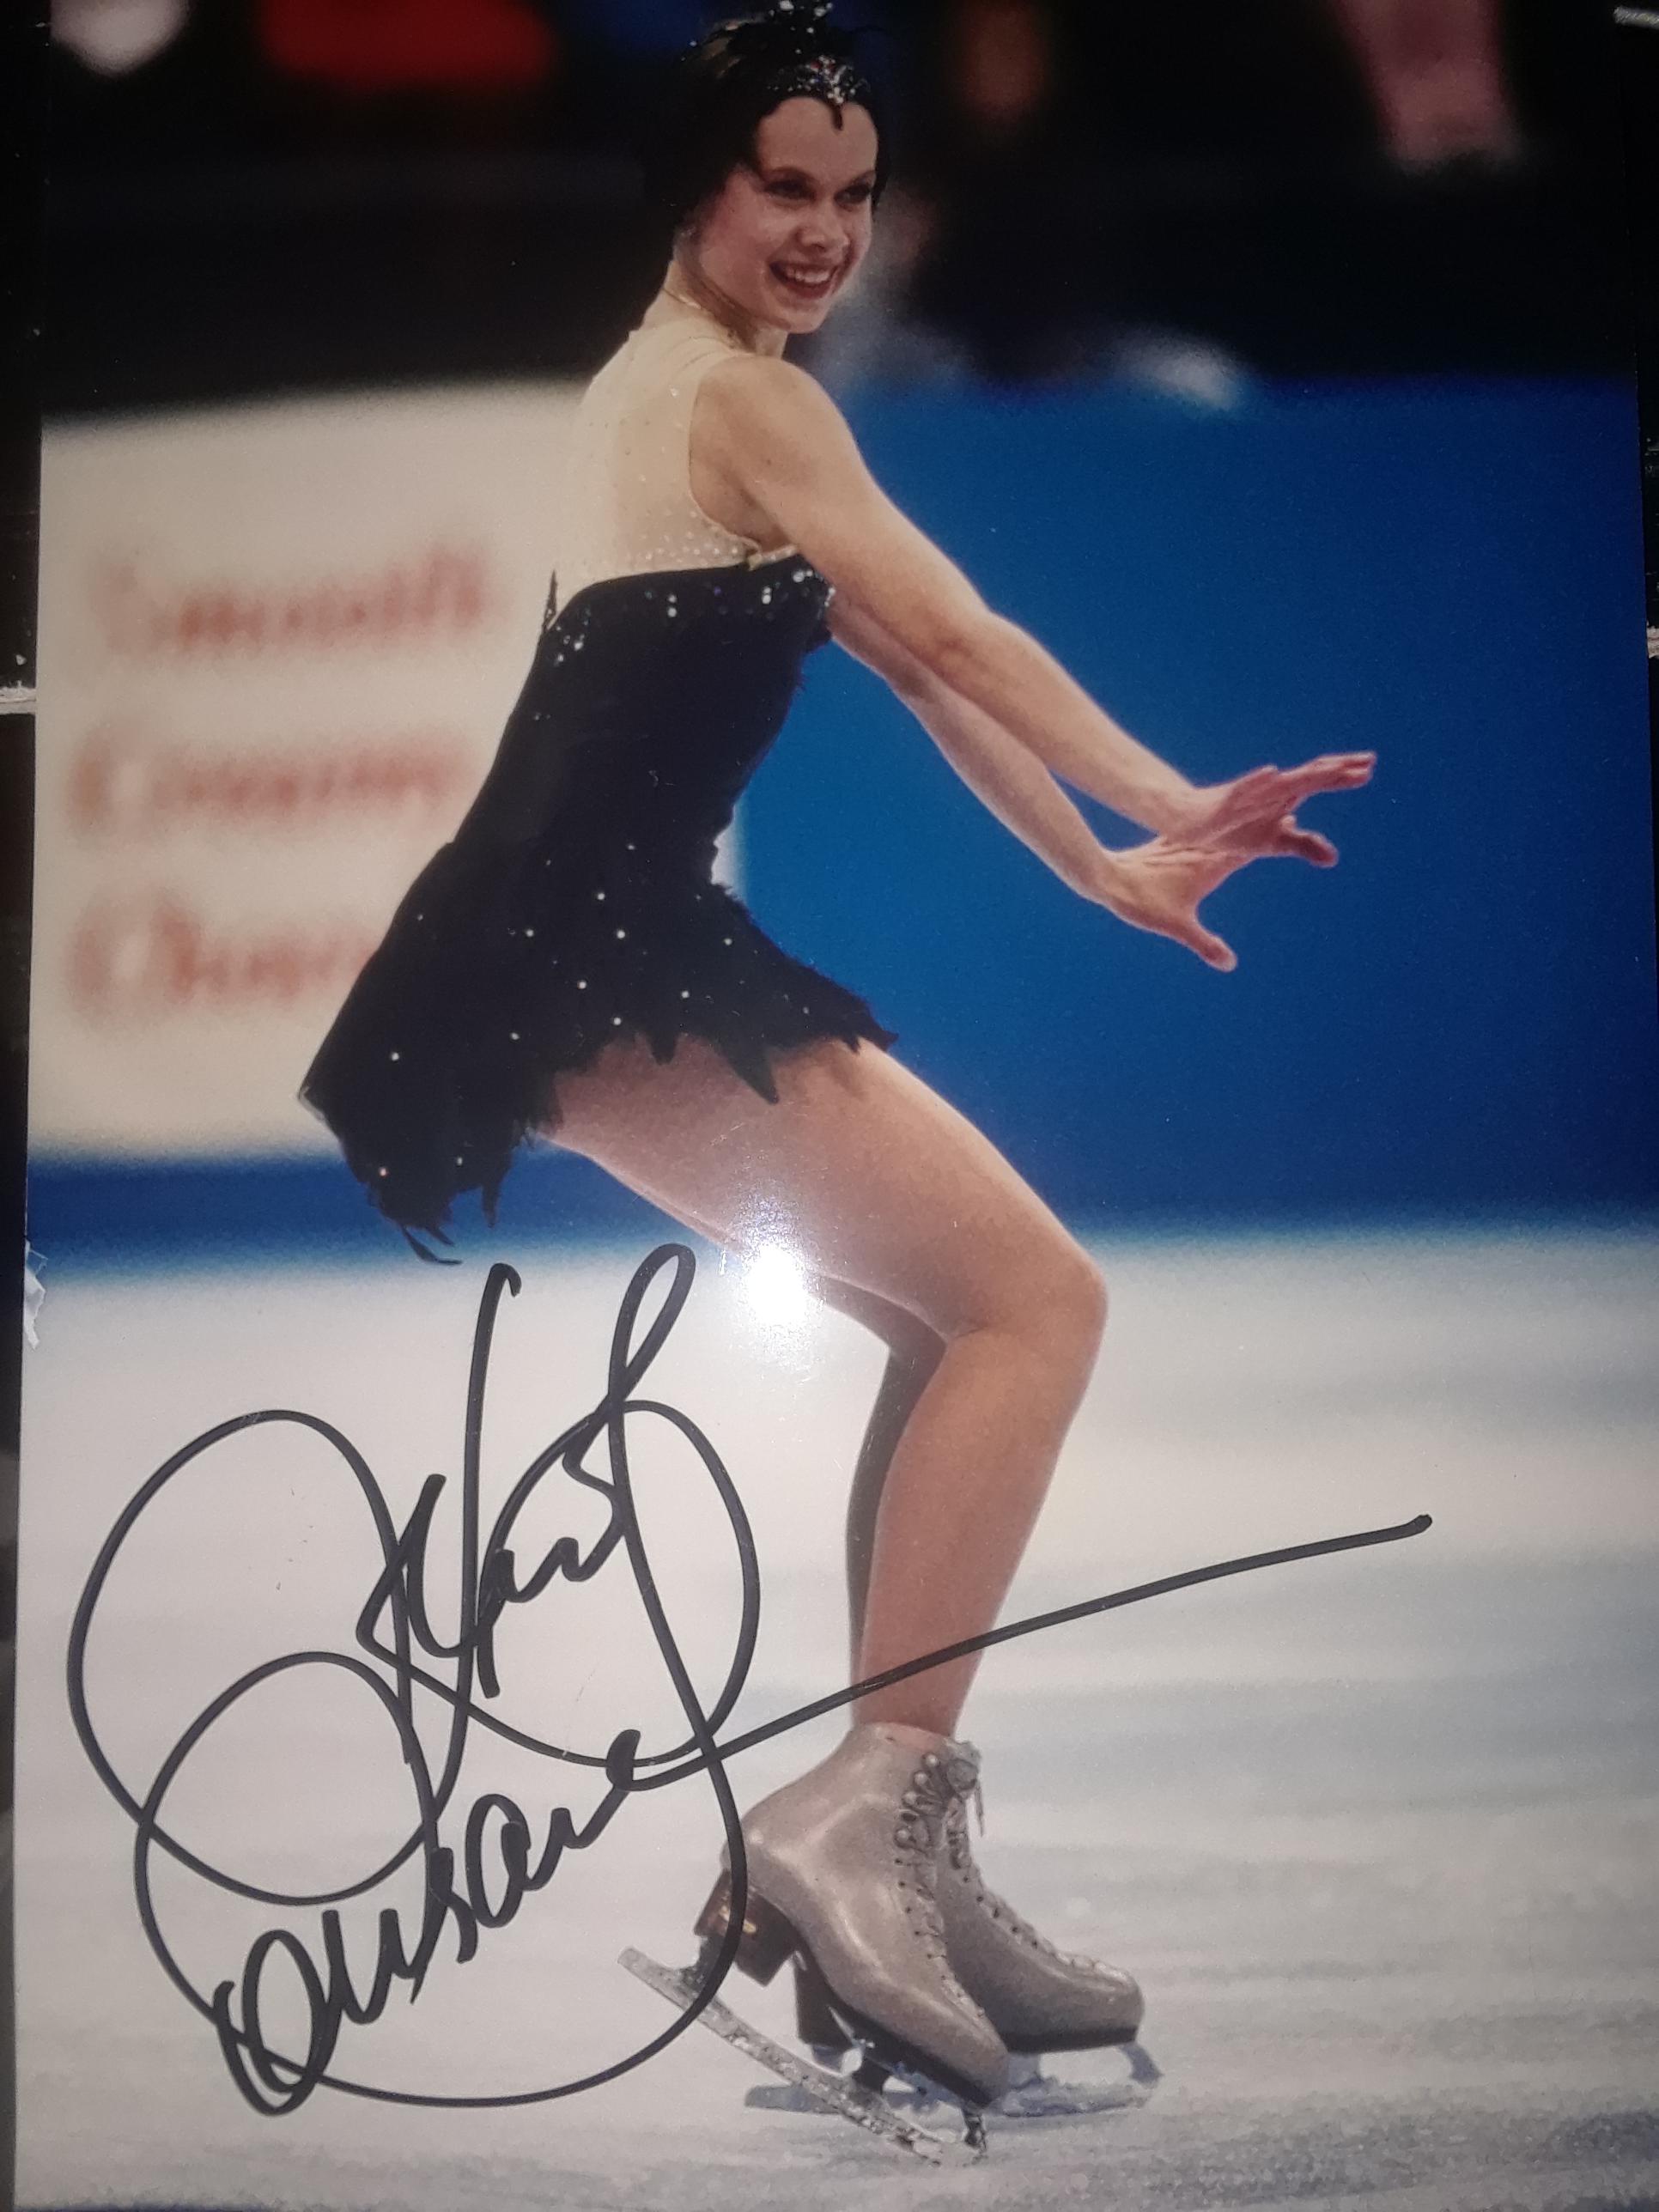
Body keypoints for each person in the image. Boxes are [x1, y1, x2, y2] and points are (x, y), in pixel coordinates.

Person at [301, 0, 1375, 2112]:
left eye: (852, 196)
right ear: (697, 186)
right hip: (596, 961)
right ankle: (857, 1820)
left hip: (565, 951)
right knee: (1037, 1304)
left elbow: (906, 665)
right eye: (780, 187)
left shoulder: (692, 391)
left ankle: (904, 1836)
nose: (820, 230)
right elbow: (963, 625)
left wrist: (1102, 871)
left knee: (942, 1316)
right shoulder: (744, 407)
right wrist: (1169, 792)